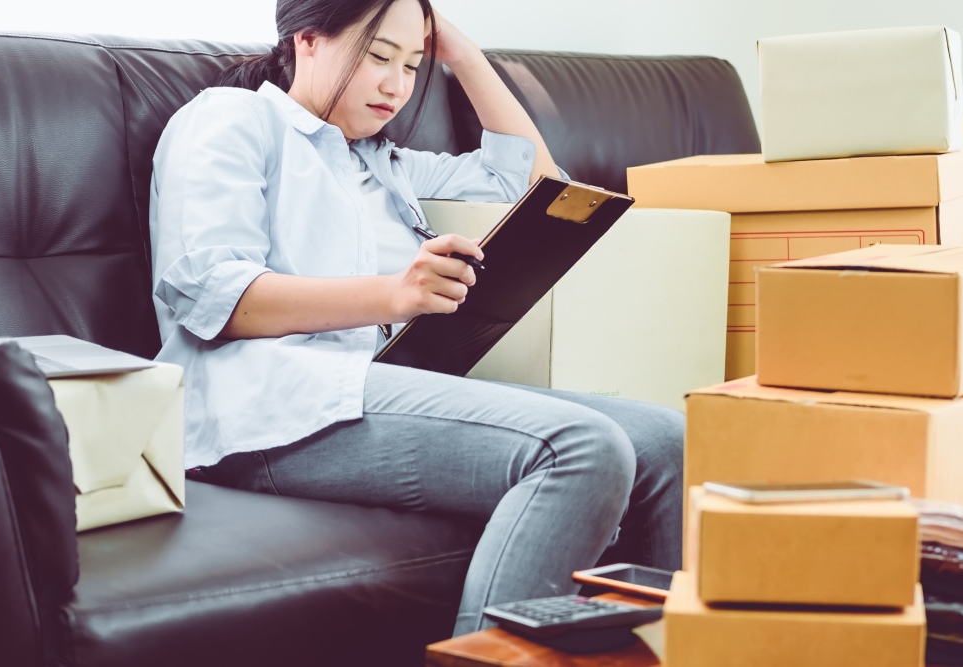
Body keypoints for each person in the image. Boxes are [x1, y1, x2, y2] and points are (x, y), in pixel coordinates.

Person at [147, 0, 684, 637]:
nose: (397, 86)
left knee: (668, 440)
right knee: (581, 449)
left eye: (410, 65)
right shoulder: (232, 119)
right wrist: (393, 295)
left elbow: (540, 190)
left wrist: (464, 56)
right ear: (308, 40)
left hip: (374, 388)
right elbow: (212, 294)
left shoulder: (386, 164)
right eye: (378, 57)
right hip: (264, 406)